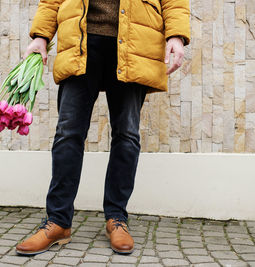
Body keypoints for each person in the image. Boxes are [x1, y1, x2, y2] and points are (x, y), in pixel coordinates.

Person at [15, 0, 190, 255]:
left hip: (135, 42)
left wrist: (176, 34)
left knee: (127, 134)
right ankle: (58, 221)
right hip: (80, 41)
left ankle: (116, 218)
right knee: (68, 133)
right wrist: (41, 36)